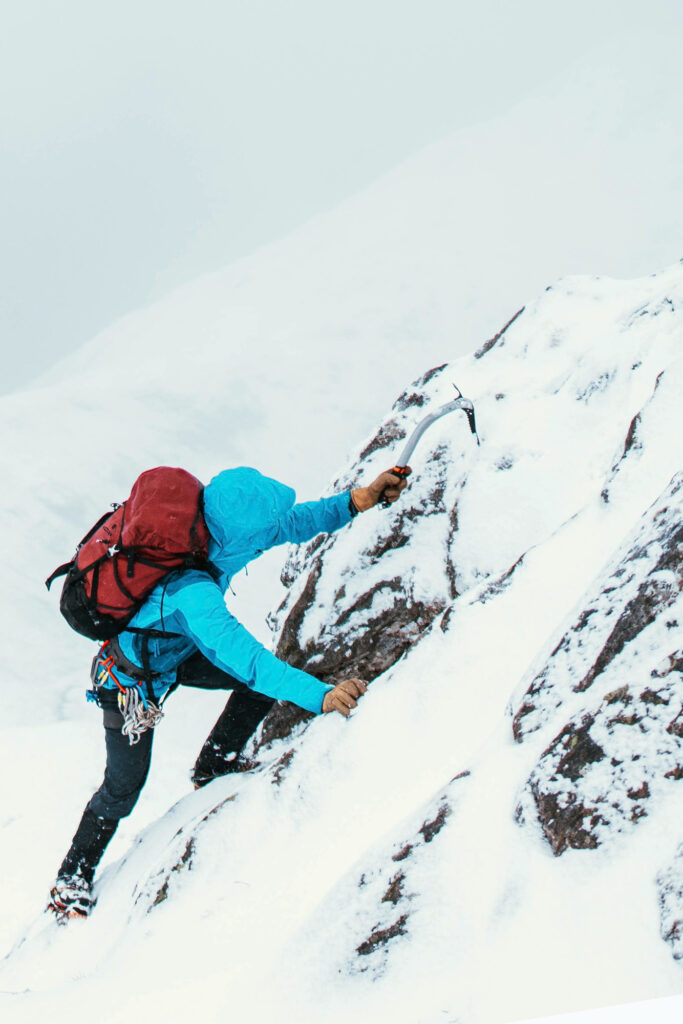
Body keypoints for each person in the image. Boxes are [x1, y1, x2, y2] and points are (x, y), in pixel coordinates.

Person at [48, 464, 409, 921]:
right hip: (127, 681)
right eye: (260, 531)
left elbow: (293, 523)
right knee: (123, 788)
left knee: (254, 689)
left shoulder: (218, 537)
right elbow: (252, 663)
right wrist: (321, 696)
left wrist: (358, 501)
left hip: (175, 655)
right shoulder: (192, 591)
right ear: (236, 530)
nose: (267, 536)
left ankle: (214, 765)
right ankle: (70, 879)